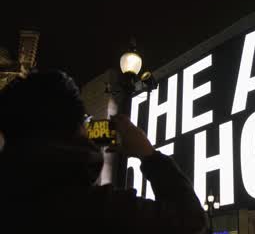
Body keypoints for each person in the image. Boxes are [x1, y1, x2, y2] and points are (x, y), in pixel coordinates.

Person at [0, 70, 207, 233]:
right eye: (85, 120)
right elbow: (192, 222)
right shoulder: (101, 211)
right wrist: (148, 154)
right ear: (77, 125)